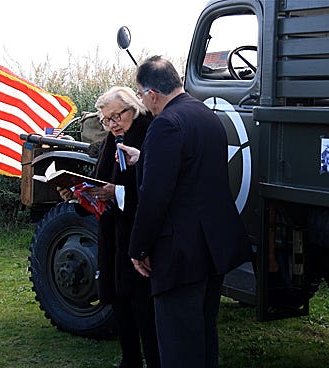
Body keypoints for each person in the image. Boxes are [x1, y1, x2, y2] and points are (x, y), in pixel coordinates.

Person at [121, 56, 252, 368]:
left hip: (180, 252)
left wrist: (138, 248)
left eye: (140, 96)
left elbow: (155, 196)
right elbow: (192, 171)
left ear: (152, 93)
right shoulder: (205, 114)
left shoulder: (165, 124)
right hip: (211, 248)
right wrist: (146, 157)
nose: (143, 103)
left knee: (180, 345)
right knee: (203, 335)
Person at [58, 86, 160, 368]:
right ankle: (130, 360)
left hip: (140, 235)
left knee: (144, 307)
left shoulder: (149, 133)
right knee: (120, 302)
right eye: (106, 119)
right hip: (113, 235)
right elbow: (98, 181)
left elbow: (153, 190)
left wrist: (116, 192)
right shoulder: (110, 140)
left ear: (133, 109)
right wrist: (77, 194)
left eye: (118, 116)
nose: (113, 124)